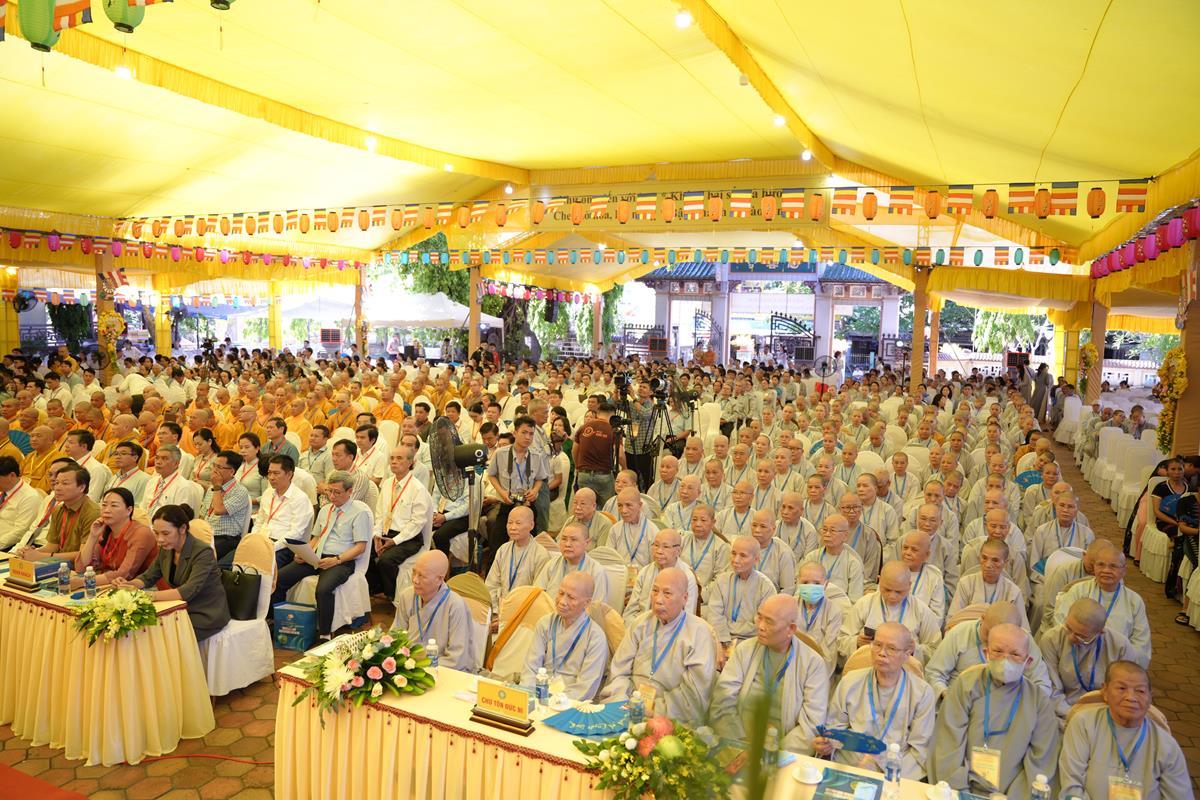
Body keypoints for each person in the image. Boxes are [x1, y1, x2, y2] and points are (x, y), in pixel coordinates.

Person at [929, 623, 1060, 796]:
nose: (1006, 660)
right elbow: (948, 741)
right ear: (987, 654)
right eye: (998, 651)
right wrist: (960, 791)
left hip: (1012, 794)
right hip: (961, 786)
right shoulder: (966, 685)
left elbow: (1041, 760)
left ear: (1028, 662)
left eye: (1015, 654)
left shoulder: (1038, 701)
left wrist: (1014, 797)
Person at [817, 622, 937, 779]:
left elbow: (920, 750)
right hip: (850, 764)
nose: (882, 653)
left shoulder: (922, 693)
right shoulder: (850, 682)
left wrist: (884, 769)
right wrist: (827, 743)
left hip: (896, 770)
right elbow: (834, 728)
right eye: (877, 645)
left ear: (907, 654)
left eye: (891, 648)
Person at [1058, 661, 1192, 800]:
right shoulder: (1084, 723)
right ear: (1105, 691)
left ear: (1149, 697)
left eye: (1140, 691)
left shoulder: (1166, 746)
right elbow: (1071, 784)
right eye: (1121, 688)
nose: (1130, 697)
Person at [711, 594, 829, 753]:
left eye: (769, 622)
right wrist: (739, 744)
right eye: (759, 617)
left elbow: (811, 724)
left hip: (783, 751)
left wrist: (773, 754)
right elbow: (723, 701)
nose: (760, 626)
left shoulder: (813, 664)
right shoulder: (745, 650)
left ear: (791, 629)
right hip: (738, 742)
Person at [600, 567, 717, 723]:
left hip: (670, 716)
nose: (658, 599)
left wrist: (655, 710)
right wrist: (622, 702)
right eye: (655, 591)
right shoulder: (640, 623)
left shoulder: (699, 633)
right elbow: (618, 671)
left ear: (685, 598)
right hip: (628, 706)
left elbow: (694, 694)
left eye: (667, 593)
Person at [270, 470, 371, 640]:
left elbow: (360, 547)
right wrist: (304, 553)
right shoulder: (325, 510)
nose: (332, 496)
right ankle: (277, 621)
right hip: (317, 557)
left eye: (337, 492)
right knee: (279, 578)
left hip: (341, 560)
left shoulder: (359, 512)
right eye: (329, 491)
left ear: (349, 491)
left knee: (323, 590)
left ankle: (325, 633)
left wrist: (336, 560)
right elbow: (316, 537)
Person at [113, 504, 230, 642]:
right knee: (138, 627)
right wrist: (129, 585)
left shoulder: (203, 552)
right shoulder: (167, 548)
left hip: (205, 612)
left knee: (158, 635)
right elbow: (148, 577)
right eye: (156, 533)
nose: (160, 539)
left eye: (165, 533)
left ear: (182, 529)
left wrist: (147, 596)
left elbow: (188, 590)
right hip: (181, 607)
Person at [925, 601, 1056, 701]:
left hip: (1009, 708)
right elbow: (934, 673)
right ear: (982, 619)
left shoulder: (1023, 640)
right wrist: (947, 696)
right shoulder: (959, 633)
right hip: (962, 702)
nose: (994, 642)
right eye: (989, 633)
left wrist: (1021, 706)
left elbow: (1042, 684)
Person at [1054, 543, 1151, 667]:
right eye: (1100, 565)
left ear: (1124, 570)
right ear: (1094, 567)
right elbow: (1061, 624)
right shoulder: (1078, 590)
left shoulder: (1134, 601)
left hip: (1117, 662)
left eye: (1113, 566)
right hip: (1077, 658)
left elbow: (1140, 643)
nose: (1106, 570)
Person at [1038, 597, 1138, 718]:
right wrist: (1071, 715)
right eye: (1068, 628)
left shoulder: (1120, 646)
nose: (1070, 637)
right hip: (1062, 710)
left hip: (1106, 710)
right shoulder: (1051, 639)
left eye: (1081, 636)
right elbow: (1053, 688)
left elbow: (1125, 690)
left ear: (1100, 632)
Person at [519, 571, 609, 702]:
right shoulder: (545, 623)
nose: (562, 601)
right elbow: (530, 667)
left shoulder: (595, 637)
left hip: (570, 703)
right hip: (538, 695)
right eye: (561, 593)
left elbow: (586, 687)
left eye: (571, 597)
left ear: (587, 603)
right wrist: (529, 697)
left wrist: (556, 701)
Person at [838, 561, 942, 664]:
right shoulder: (864, 604)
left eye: (898, 592)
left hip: (905, 669)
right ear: (879, 581)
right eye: (887, 590)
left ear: (909, 585)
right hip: (867, 665)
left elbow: (935, 649)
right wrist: (856, 642)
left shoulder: (921, 610)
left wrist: (915, 650)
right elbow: (841, 639)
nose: (892, 596)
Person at [393, 550, 476, 671]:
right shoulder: (407, 596)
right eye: (414, 572)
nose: (415, 580)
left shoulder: (455, 605)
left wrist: (422, 666)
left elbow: (457, 658)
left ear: (439, 579)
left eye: (421, 576)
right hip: (407, 666)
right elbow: (395, 635)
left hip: (442, 669)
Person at [484, 415, 549, 571]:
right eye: (524, 432)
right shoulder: (501, 453)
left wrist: (534, 491)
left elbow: (540, 478)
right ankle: (491, 577)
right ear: (515, 433)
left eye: (531, 434)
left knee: (530, 545)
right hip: (507, 503)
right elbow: (491, 475)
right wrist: (502, 493)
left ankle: (528, 575)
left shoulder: (536, 455)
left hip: (527, 504)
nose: (528, 437)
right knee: (497, 544)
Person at [368, 447, 433, 599]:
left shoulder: (417, 489)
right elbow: (379, 514)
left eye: (399, 458)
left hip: (409, 538)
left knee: (386, 560)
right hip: (385, 533)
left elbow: (417, 522)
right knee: (362, 551)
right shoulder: (387, 484)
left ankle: (392, 596)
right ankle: (376, 587)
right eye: (392, 458)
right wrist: (376, 535)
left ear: (411, 462)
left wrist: (395, 541)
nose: (394, 462)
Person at [701, 536, 775, 653]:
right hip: (720, 638)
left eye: (743, 556)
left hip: (752, 641)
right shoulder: (722, 580)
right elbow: (714, 615)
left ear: (756, 559)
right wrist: (723, 639)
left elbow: (759, 625)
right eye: (733, 553)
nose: (735, 560)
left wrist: (729, 627)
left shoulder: (766, 587)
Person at [74, 487, 157, 587]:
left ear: (129, 510)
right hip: (109, 585)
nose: (106, 510)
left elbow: (124, 574)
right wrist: (92, 536)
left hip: (138, 587)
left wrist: (81, 582)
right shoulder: (104, 529)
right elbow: (81, 567)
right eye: (104, 505)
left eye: (114, 505)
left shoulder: (141, 533)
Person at [18, 464, 98, 562]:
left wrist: (41, 556)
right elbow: (52, 546)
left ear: (81, 487)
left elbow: (84, 555)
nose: (57, 488)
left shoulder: (92, 513)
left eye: (65, 483)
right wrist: (29, 553)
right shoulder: (58, 510)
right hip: (59, 563)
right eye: (56, 483)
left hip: (82, 567)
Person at [255, 454, 315, 571]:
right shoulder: (268, 493)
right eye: (269, 473)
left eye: (276, 473)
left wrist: (272, 546)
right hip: (262, 540)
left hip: (284, 546)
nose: (271, 477)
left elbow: (296, 533)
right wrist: (254, 539)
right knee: (234, 562)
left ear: (289, 475)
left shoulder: (300, 498)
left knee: (260, 568)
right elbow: (259, 521)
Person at [624, 528, 698, 623]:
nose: (659, 551)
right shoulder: (645, 572)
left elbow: (687, 617)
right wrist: (635, 627)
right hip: (642, 625)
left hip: (673, 628)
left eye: (665, 547)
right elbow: (630, 611)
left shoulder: (687, 577)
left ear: (678, 551)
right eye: (656, 545)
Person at [485, 505, 549, 608]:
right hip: (500, 608)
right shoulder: (503, 549)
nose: (513, 527)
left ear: (531, 525)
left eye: (518, 523)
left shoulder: (541, 554)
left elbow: (538, 593)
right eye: (510, 523)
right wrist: (495, 610)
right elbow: (491, 584)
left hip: (525, 610)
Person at [533, 522, 610, 601]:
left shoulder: (596, 571)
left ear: (586, 543)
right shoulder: (552, 564)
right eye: (564, 539)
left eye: (573, 540)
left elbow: (597, 606)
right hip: (550, 608)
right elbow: (536, 594)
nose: (567, 544)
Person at [200, 450, 252, 564]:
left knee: (199, 556)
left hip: (226, 538)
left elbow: (218, 510)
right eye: (214, 465)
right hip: (207, 535)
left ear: (232, 471)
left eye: (219, 467)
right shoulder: (212, 488)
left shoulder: (240, 491)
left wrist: (217, 487)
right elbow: (202, 515)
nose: (214, 470)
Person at [802, 513, 865, 602]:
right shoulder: (811, 557)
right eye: (824, 530)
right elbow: (802, 588)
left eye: (832, 530)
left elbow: (855, 599)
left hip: (842, 607)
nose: (827, 534)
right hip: (812, 604)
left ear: (845, 535)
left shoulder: (853, 563)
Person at [144, 445, 203, 517]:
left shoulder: (184, 487)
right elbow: (142, 507)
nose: (158, 462)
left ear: (176, 464)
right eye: (157, 458)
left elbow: (180, 518)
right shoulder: (152, 481)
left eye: (164, 459)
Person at [0, 456, 44, 551]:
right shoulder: (3, 492)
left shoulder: (30, 497)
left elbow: (20, 532)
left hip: (9, 546)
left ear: (12, 475)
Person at [680, 504, 729, 589]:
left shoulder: (721, 547)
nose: (698, 524)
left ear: (713, 522)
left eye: (703, 520)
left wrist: (701, 593)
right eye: (694, 520)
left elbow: (720, 579)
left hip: (706, 594)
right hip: (679, 589)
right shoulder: (683, 540)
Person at [610, 487, 657, 568]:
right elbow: (609, 558)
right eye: (620, 505)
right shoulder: (615, 529)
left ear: (640, 505)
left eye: (628, 505)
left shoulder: (653, 531)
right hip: (619, 573)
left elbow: (655, 564)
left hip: (644, 574)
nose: (623, 510)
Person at [62, 429, 110, 503]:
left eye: (71, 442)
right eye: (67, 442)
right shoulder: (67, 463)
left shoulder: (96, 469)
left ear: (84, 446)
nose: (66, 445)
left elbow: (91, 499)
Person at [105, 441, 151, 507]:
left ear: (135, 458)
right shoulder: (114, 478)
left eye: (123, 453)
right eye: (116, 454)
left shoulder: (145, 480)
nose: (118, 457)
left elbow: (139, 507)